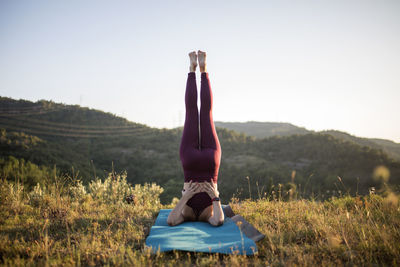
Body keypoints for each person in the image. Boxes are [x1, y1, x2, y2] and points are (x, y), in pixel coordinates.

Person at [167, 50, 224, 227]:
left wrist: (186, 197)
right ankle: (197, 70)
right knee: (195, 113)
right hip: (205, 162)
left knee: (203, 113)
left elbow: (171, 221)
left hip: (197, 162)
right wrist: (214, 196)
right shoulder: (202, 215)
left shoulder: (194, 214)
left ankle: (198, 70)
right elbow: (219, 221)